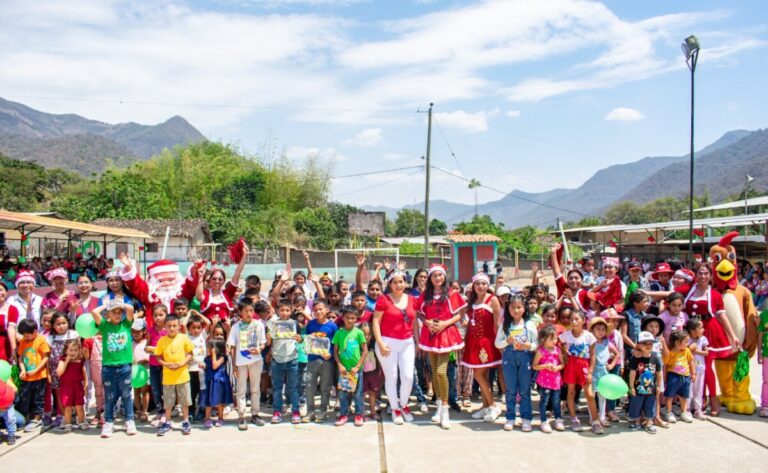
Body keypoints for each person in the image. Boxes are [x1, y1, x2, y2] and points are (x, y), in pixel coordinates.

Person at [683, 263, 739, 416]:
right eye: (700, 273)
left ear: (711, 276)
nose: (703, 276)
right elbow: (670, 294)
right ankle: (692, 401)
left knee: (705, 367)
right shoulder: (688, 290)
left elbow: (722, 316)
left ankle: (712, 398)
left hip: (709, 331)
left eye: (706, 274)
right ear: (696, 275)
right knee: (689, 366)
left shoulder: (714, 294)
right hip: (690, 331)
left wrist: (733, 335)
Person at [416, 264, 466, 429]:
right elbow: (420, 313)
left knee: (440, 372)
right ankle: (438, 406)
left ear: (444, 276)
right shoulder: (425, 294)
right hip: (430, 334)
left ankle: (445, 410)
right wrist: (427, 322)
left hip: (446, 334)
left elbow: (459, 314)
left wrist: (445, 324)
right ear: (430, 278)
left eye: (440, 275)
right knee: (434, 371)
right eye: (434, 276)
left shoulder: (452, 293)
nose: (438, 278)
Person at [372, 271, 417, 425]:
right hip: (387, 342)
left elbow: (415, 322)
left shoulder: (411, 299)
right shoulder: (383, 300)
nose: (399, 285)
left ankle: (403, 405)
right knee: (392, 377)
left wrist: (417, 342)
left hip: (407, 342)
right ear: (389, 284)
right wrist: (380, 343)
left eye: (401, 282)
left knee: (408, 377)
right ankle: (395, 408)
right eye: (395, 282)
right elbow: (376, 322)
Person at [118, 253, 199, 330]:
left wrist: (194, 270)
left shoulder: (181, 292)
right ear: (153, 282)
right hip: (156, 334)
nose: (166, 283)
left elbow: (191, 285)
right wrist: (129, 268)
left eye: (171, 279)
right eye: (160, 281)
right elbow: (136, 285)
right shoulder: (150, 295)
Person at [91, 300, 136, 438]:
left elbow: (130, 308)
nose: (117, 315)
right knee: (109, 397)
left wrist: (120, 304)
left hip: (124, 366)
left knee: (127, 395)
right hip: (108, 367)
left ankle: (129, 420)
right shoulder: (105, 325)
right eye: (113, 312)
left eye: (119, 312)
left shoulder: (126, 324)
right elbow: (94, 312)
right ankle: (108, 422)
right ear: (108, 314)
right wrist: (106, 305)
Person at [462, 273, 502, 422]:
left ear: (488, 285)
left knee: (479, 375)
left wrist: (500, 344)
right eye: (478, 284)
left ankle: (492, 405)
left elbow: (497, 324)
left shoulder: (493, 300)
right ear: (473, 286)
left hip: (487, 342)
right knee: (481, 375)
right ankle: (485, 406)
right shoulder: (470, 302)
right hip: (473, 341)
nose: (481, 287)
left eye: (484, 284)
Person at [495, 294, 538, 432]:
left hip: (525, 357)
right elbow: (497, 344)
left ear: (524, 308)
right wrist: (506, 341)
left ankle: (526, 419)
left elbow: (537, 344)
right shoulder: (505, 324)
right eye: (513, 308)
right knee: (511, 390)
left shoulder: (529, 324)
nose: (516, 310)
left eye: (519, 307)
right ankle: (510, 417)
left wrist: (528, 346)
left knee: (525, 390)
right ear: (508, 309)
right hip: (509, 358)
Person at [559, 311, 601, 434]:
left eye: (576, 319)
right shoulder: (566, 335)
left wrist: (590, 372)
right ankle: (573, 419)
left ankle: (595, 420)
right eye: (571, 319)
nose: (573, 322)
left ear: (583, 321)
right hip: (571, 365)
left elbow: (593, 355)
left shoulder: (589, 336)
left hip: (584, 365)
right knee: (571, 393)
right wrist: (565, 354)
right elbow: (561, 344)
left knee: (589, 394)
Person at [228, 299, 266, 430]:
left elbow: (263, 342)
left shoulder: (259, 325)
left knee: (255, 389)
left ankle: (255, 414)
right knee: (241, 390)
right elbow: (232, 347)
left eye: (251, 310)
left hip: (256, 360)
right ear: (240, 312)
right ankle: (242, 416)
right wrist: (233, 365)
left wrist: (259, 349)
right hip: (240, 362)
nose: (249, 313)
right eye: (246, 311)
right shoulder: (235, 326)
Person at [155, 314, 194, 436]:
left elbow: (190, 353)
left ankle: (186, 421)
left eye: (174, 326)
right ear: (165, 327)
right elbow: (157, 356)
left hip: (182, 375)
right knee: (168, 402)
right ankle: (167, 422)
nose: (172, 328)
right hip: (168, 377)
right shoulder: (162, 340)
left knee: (184, 401)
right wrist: (165, 364)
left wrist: (182, 363)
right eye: (169, 326)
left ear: (179, 326)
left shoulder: (183, 338)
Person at [266, 299, 302, 425]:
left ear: (291, 311)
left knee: (293, 388)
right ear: (277, 311)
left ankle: (296, 411)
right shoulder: (273, 324)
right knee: (277, 388)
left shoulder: (295, 324)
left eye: (287, 310)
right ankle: (277, 411)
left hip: (292, 358)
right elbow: (268, 343)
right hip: (277, 359)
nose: (284, 313)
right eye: (282, 310)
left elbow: (300, 340)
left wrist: (300, 339)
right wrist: (269, 340)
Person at [332, 306, 368, 427]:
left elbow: (365, 351)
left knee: (358, 393)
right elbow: (335, 351)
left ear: (356, 318)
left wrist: (357, 367)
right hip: (344, 370)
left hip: (356, 370)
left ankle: (358, 415)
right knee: (343, 394)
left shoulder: (359, 332)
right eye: (347, 318)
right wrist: (340, 365)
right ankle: (344, 414)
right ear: (343, 318)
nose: (350, 320)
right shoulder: (339, 333)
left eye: (353, 318)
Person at [302, 299, 336, 423]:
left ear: (327, 310)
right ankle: (310, 411)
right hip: (312, 360)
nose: (318, 312)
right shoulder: (311, 324)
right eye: (315, 310)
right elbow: (306, 340)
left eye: (321, 309)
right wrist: (307, 344)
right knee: (309, 386)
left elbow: (335, 344)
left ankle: (323, 410)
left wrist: (330, 354)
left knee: (325, 387)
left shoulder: (332, 326)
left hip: (327, 362)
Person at [196, 246, 248, 322]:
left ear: (224, 281)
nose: (217, 281)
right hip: (207, 332)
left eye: (220, 279)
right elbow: (198, 296)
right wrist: (200, 276)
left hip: (224, 332)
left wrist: (244, 255)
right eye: (214, 279)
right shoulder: (205, 294)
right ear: (210, 281)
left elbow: (237, 272)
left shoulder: (228, 293)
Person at [16, 318, 50, 432]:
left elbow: (45, 357)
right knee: (24, 397)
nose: (25, 338)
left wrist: (36, 370)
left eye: (27, 335)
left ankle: (37, 418)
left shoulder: (41, 340)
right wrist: (22, 370)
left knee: (38, 398)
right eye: (24, 335)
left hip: (39, 376)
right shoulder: (23, 341)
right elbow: (20, 357)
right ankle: (25, 417)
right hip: (27, 377)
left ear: (35, 331)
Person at [627, 331, 663, 434]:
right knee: (636, 405)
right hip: (638, 389)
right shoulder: (636, 358)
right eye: (644, 343)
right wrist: (632, 387)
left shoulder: (655, 357)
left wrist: (659, 386)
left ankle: (648, 423)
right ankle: (637, 422)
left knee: (650, 407)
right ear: (638, 345)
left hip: (651, 389)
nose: (648, 345)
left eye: (650, 343)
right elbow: (632, 373)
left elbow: (659, 373)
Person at [46, 311, 78, 426]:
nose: (61, 326)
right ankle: (62, 415)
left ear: (68, 323)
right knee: (59, 393)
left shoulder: (73, 334)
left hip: (71, 369)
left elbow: (78, 352)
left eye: (64, 323)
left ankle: (74, 415)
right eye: (58, 324)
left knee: (73, 393)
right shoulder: (50, 338)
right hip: (56, 371)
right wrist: (49, 373)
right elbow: (48, 357)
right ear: (53, 326)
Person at [532, 325, 565, 433]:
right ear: (543, 339)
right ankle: (544, 421)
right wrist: (545, 366)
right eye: (551, 339)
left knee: (556, 401)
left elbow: (562, 364)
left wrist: (558, 367)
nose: (554, 341)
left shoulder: (557, 350)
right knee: (544, 401)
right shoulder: (540, 351)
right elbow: (535, 366)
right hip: (544, 381)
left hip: (556, 381)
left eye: (555, 338)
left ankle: (558, 419)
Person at [588, 316, 618, 427]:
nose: (600, 332)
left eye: (603, 329)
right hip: (592, 371)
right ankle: (592, 416)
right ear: (592, 330)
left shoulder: (607, 342)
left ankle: (602, 416)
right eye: (598, 329)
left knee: (602, 395)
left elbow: (617, 353)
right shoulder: (590, 342)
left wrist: (612, 364)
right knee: (591, 395)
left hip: (603, 371)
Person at [55, 339, 87, 432]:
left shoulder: (80, 360)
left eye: (76, 350)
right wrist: (66, 362)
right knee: (68, 407)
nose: (73, 352)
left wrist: (86, 384)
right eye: (71, 350)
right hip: (66, 386)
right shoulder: (62, 359)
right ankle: (68, 424)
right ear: (66, 351)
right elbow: (59, 373)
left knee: (79, 406)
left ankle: (81, 422)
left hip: (78, 385)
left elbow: (84, 373)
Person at [663, 330, 696, 424]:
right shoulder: (670, 352)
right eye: (686, 341)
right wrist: (665, 377)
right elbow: (665, 365)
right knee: (669, 395)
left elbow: (691, 362)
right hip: (673, 376)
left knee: (684, 396)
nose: (688, 343)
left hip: (685, 376)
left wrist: (693, 374)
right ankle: (668, 412)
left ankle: (684, 412)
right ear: (677, 342)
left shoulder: (687, 351)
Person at [145, 304, 169, 423]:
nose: (158, 318)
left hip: (165, 364)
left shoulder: (168, 330)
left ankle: (167, 410)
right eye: (155, 315)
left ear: (166, 315)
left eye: (161, 315)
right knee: (155, 388)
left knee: (166, 388)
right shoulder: (150, 331)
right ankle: (160, 410)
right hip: (154, 364)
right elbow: (147, 347)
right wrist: (151, 349)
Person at [202, 334, 231, 428]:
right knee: (208, 401)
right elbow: (209, 367)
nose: (208, 350)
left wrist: (214, 354)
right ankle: (207, 418)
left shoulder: (222, 358)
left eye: (210, 348)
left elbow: (215, 366)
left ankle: (220, 417)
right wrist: (204, 366)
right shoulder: (207, 358)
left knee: (220, 400)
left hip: (219, 381)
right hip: (210, 381)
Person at [186, 314, 210, 421]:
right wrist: (188, 314)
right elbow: (183, 324)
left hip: (201, 369)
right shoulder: (186, 337)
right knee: (191, 391)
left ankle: (201, 410)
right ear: (189, 328)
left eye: (199, 327)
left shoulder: (203, 336)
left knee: (202, 391)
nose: (196, 330)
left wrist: (197, 314)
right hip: (190, 369)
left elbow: (208, 323)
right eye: (193, 328)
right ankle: (191, 411)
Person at [686, 319, 709, 420]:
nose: (703, 330)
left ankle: (697, 409)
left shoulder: (703, 339)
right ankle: (686, 409)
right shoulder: (686, 340)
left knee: (698, 390)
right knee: (688, 390)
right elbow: (684, 352)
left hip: (700, 369)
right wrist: (690, 349)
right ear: (692, 330)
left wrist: (697, 351)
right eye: (701, 328)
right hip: (688, 369)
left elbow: (706, 353)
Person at [131, 318, 150, 422]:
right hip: (134, 370)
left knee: (144, 391)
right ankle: (138, 410)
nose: (135, 333)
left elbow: (151, 355)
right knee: (136, 390)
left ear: (144, 331)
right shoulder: (130, 343)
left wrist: (146, 360)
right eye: (133, 331)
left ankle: (145, 411)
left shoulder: (147, 342)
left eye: (138, 331)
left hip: (145, 369)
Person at [0, 281, 19, 364]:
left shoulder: (12, 309)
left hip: (4, 345)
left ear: (6, 293)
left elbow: (11, 329)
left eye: (1, 290)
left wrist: (13, 349)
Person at [0, 378, 18, 445]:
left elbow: (15, 389)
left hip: (7, 404)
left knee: (11, 419)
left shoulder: (3, 375)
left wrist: (11, 386)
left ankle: (11, 435)